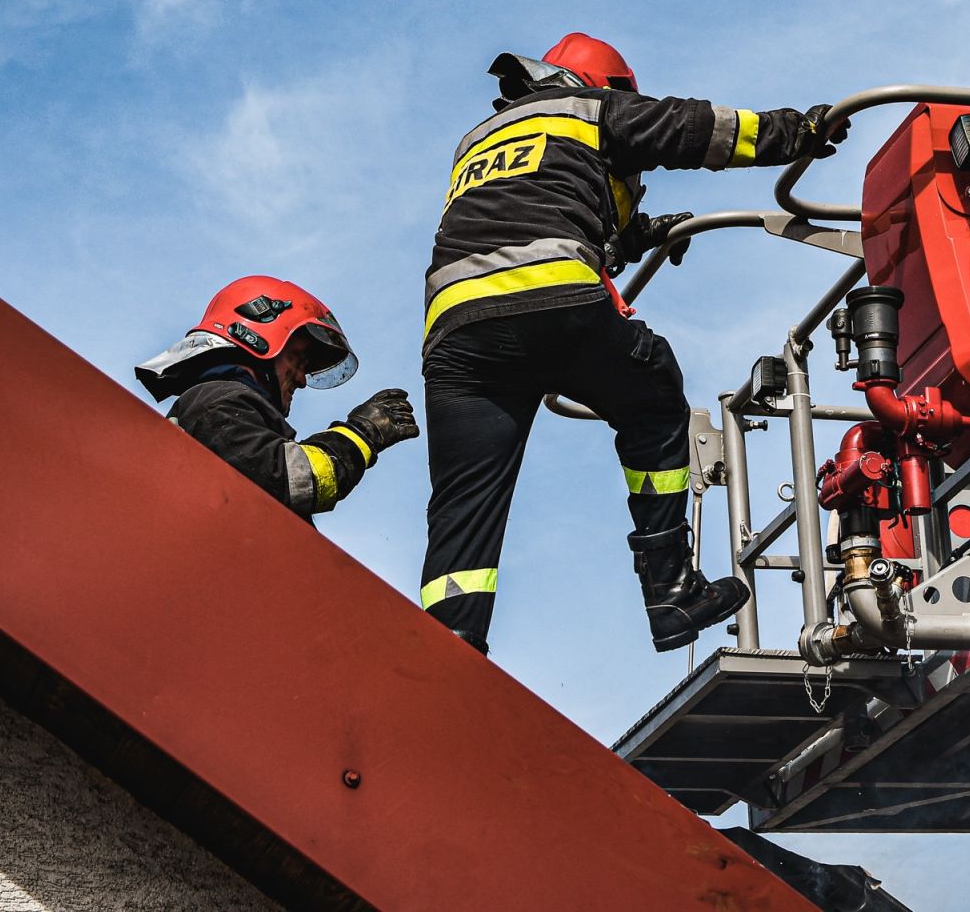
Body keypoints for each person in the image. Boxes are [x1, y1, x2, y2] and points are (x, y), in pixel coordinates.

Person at [420, 32, 848, 655]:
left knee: (466, 499)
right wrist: (797, 132)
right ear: (607, 86)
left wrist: (640, 235)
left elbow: (539, 206)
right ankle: (671, 590)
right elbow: (694, 129)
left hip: (456, 329)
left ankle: (445, 648)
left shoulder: (482, 140)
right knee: (653, 397)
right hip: (551, 294)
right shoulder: (591, 107)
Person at [137, 275, 419, 521]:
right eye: (298, 360)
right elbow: (289, 479)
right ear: (255, 339)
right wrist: (361, 434)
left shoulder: (221, 404)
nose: (302, 380)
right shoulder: (217, 403)